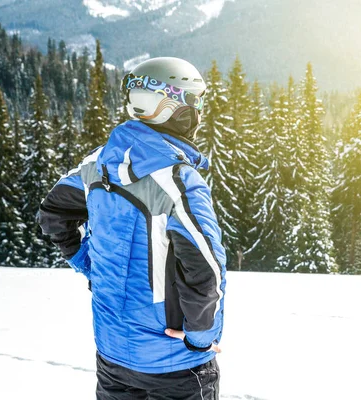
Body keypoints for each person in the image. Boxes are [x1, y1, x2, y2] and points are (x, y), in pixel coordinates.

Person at [38, 57, 226, 400]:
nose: (198, 111)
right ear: (174, 106)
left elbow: (53, 214)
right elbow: (205, 271)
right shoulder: (178, 182)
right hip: (174, 364)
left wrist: (86, 262)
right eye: (195, 100)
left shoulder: (97, 163)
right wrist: (200, 340)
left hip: (112, 355)